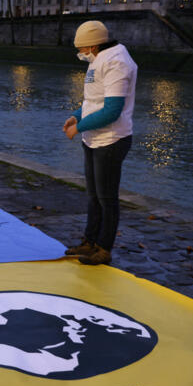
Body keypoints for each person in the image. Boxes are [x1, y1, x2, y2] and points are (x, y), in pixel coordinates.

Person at [62, 20, 138, 266]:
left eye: (83, 49)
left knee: (107, 198)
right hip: (93, 139)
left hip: (111, 140)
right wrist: (77, 115)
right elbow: (93, 101)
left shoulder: (118, 62)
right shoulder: (99, 60)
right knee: (94, 195)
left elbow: (112, 110)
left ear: (93, 46)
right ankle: (90, 241)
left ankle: (104, 248)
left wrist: (78, 128)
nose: (81, 54)